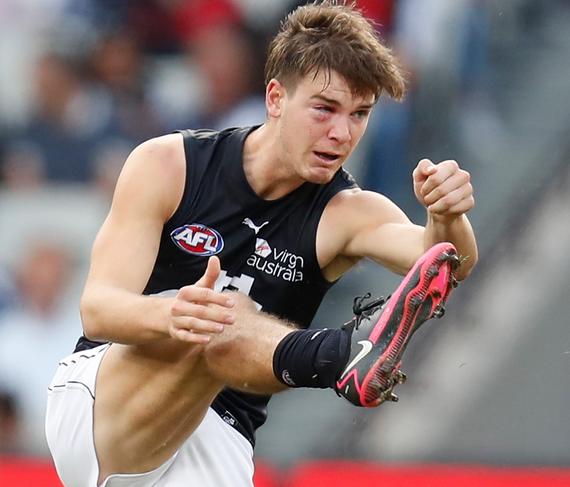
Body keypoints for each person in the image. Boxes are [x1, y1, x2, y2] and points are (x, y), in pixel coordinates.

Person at [45, 2, 478, 486]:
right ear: (275, 97)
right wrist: (173, 315)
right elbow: (99, 310)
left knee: (222, 317)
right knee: (221, 316)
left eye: (360, 114)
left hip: (218, 432)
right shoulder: (169, 163)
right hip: (105, 402)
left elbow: (444, 264)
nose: (341, 133)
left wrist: (447, 216)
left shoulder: (349, 211)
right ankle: (339, 356)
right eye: (324, 108)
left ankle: (346, 355)